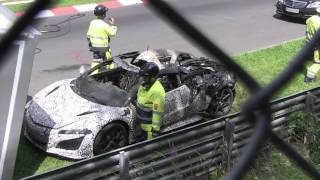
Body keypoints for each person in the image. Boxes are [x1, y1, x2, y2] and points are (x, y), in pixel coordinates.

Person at [136, 62, 166, 140]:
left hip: (149, 131)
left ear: (152, 77)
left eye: (144, 77)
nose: (142, 79)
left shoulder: (157, 92)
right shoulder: (145, 84)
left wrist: (155, 131)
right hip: (141, 127)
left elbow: (157, 114)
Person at [87, 5, 117, 74]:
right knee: (109, 61)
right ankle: (112, 73)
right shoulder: (104, 25)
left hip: (94, 47)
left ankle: (92, 74)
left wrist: (91, 44)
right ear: (104, 14)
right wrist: (113, 25)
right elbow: (112, 33)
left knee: (96, 61)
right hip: (104, 48)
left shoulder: (92, 23)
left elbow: (88, 36)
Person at [305, 8, 320, 82]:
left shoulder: (311, 18)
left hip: (309, 42)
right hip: (317, 45)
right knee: (318, 62)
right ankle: (309, 77)